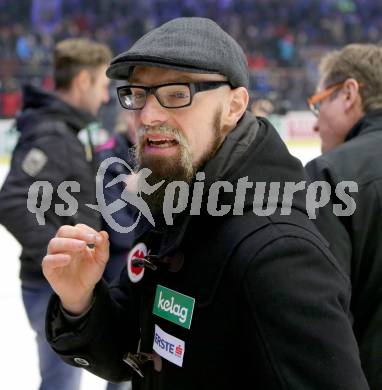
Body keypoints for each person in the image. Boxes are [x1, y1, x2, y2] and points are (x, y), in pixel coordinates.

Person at [42, 18, 368, 389]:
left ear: (234, 106)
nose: (147, 115)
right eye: (138, 94)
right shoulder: (177, 206)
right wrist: (80, 299)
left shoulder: (277, 252)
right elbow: (131, 353)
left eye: (177, 93)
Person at [0, 38, 128, 390]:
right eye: (103, 86)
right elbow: (12, 200)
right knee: (61, 384)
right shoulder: (52, 133)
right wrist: (61, 256)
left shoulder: (67, 129)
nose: (105, 97)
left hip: (63, 284)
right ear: (83, 81)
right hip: (50, 286)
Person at [305, 43, 382, 389]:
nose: (316, 125)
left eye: (319, 104)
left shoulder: (332, 173)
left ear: (349, 93)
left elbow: (320, 317)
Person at [94, 110, 137, 283]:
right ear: (124, 117)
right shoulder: (107, 159)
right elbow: (120, 231)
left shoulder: (162, 155)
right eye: (134, 115)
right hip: (117, 265)